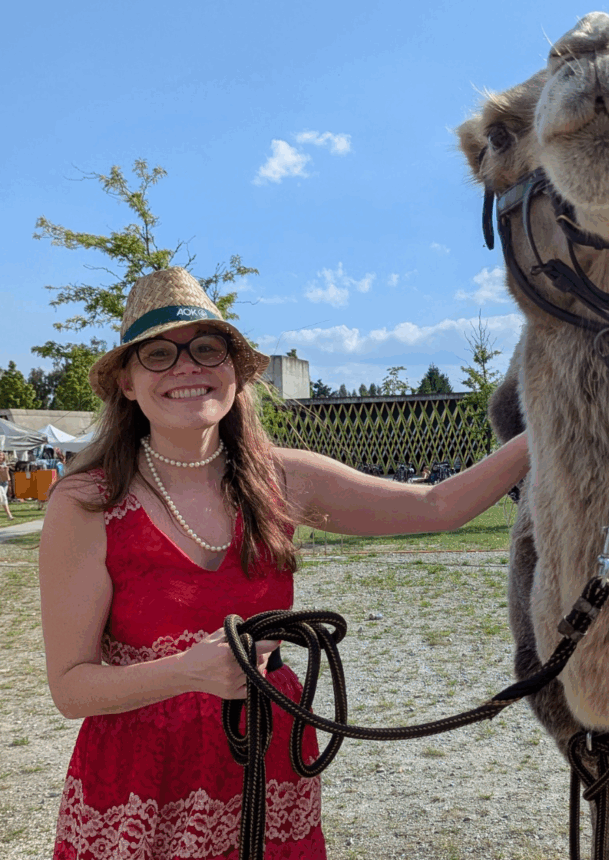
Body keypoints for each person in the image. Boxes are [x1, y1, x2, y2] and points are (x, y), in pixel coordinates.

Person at [39, 267, 529, 860]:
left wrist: (557, 420)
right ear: (126, 381)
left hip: (263, 753)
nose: (187, 367)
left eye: (207, 348)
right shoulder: (89, 500)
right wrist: (185, 672)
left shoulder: (283, 479)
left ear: (234, 370)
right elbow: (70, 689)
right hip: (142, 778)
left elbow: (440, 505)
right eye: (159, 354)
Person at [0, 452, 13, 519]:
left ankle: (9, 515)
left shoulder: (4, 464)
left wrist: (6, 470)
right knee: (4, 498)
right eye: (0, 455)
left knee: (2, 499)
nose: (1, 457)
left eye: (2, 455)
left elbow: (7, 477)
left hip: (4, 483)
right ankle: (9, 515)